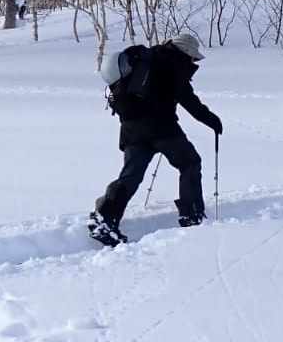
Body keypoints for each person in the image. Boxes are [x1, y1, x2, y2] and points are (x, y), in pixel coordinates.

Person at [89, 32, 223, 244]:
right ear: (186, 52)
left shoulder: (146, 59)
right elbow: (189, 100)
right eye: (193, 57)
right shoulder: (173, 64)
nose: (193, 61)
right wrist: (212, 121)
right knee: (189, 162)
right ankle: (192, 215)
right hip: (163, 129)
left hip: (132, 129)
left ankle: (104, 219)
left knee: (130, 177)